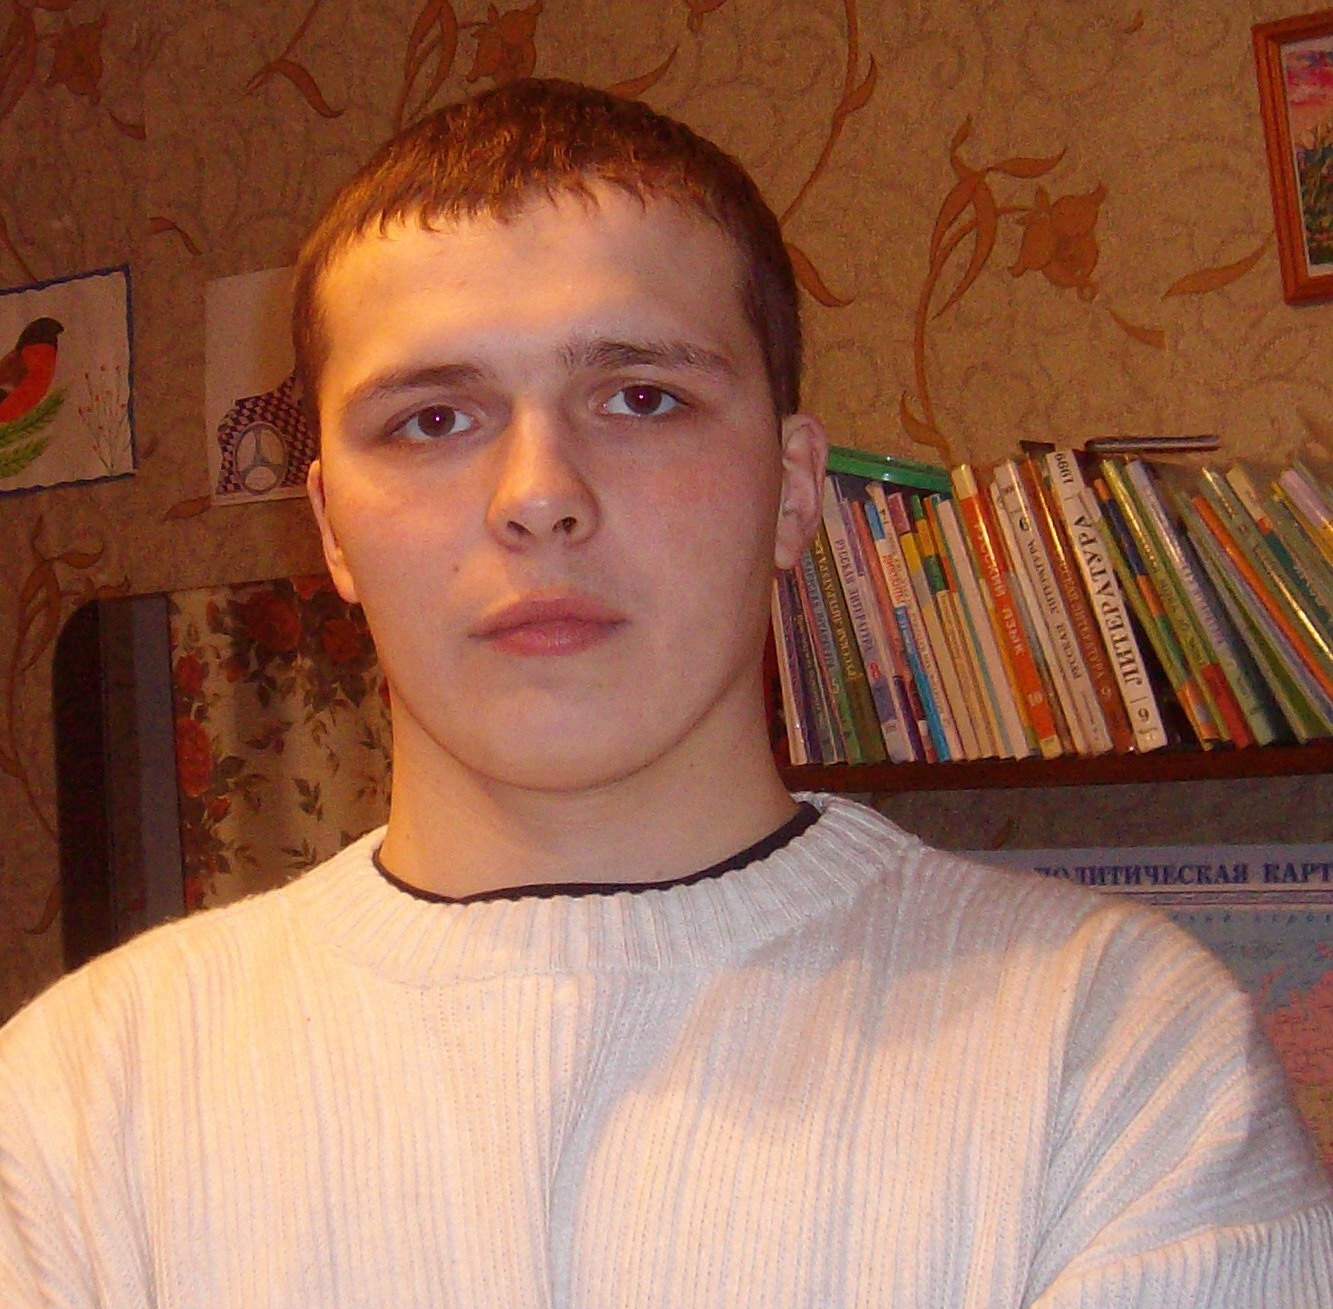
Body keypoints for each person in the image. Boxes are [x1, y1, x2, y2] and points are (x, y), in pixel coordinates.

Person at [2, 78, 1331, 1307]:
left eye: (640, 398)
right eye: (432, 420)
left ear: (792, 489)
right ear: (332, 529)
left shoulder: (1114, 1054)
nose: (538, 496)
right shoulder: (80, 1105)